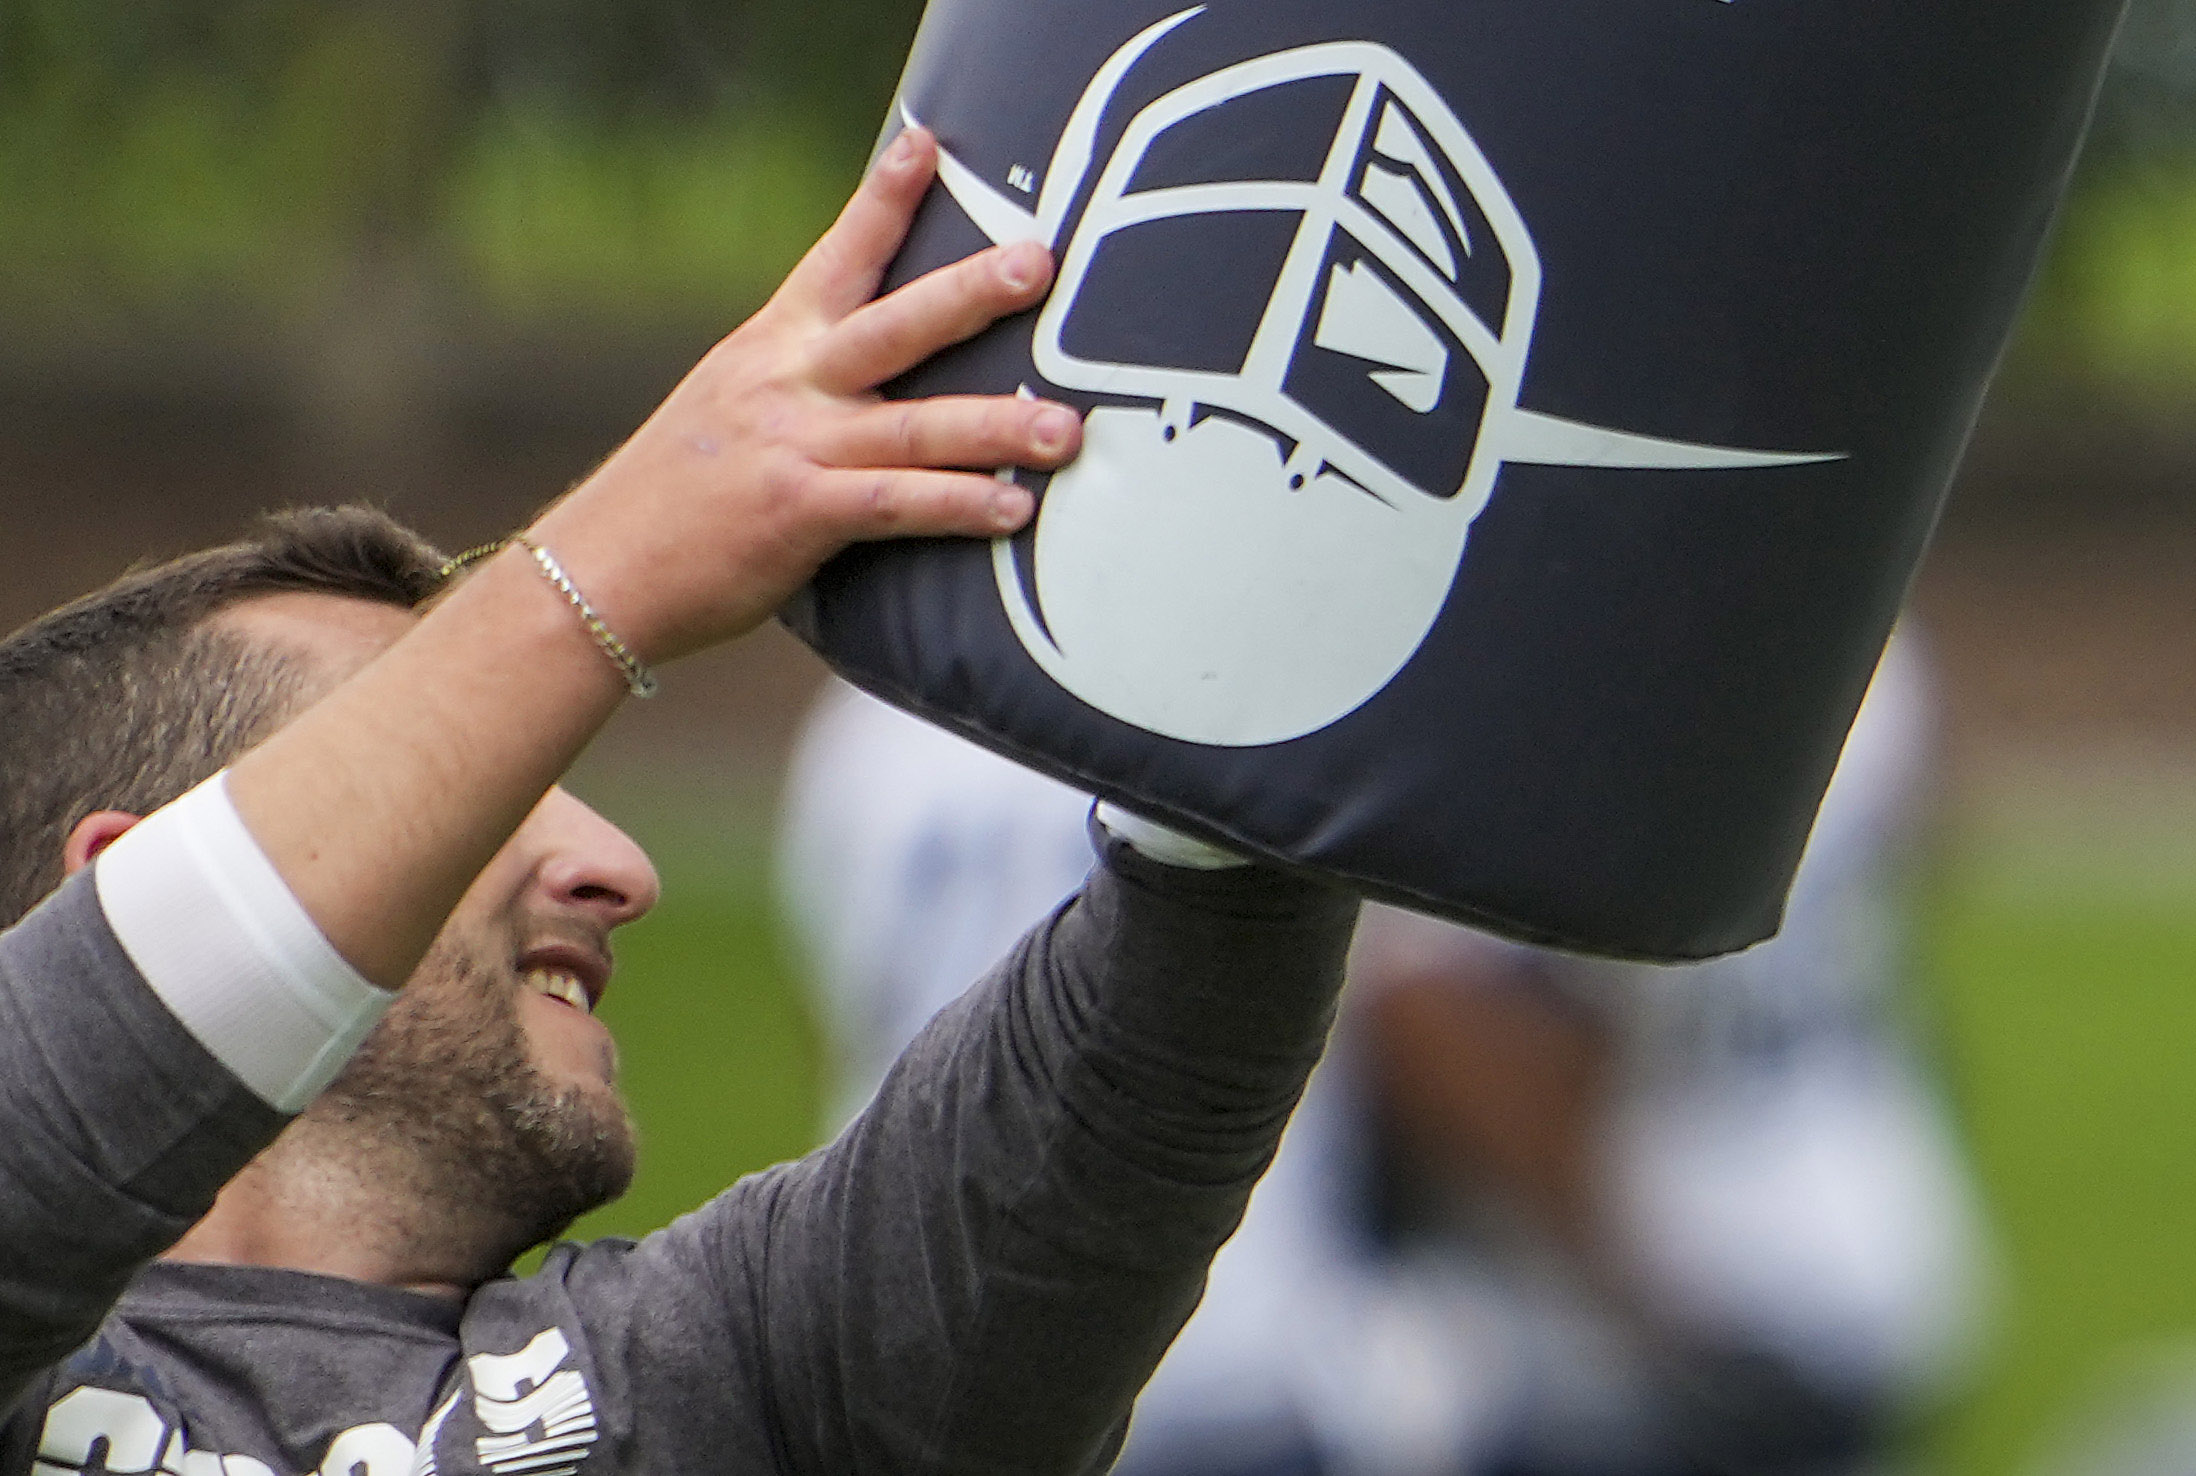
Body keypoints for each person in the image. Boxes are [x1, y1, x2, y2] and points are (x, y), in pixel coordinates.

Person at [2, 129, 1357, 1476]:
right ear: (128, 874)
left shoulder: (731, 1383)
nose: (618, 867)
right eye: (482, 798)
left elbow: (1174, 1003)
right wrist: (613, 566)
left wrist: (1264, 595)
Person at [778, 636, 1992, 1476]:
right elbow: (1427, 1008)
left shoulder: (869, 725)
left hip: (898, 1357)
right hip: (1226, 1362)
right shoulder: (1255, 688)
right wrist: (1659, 1319)